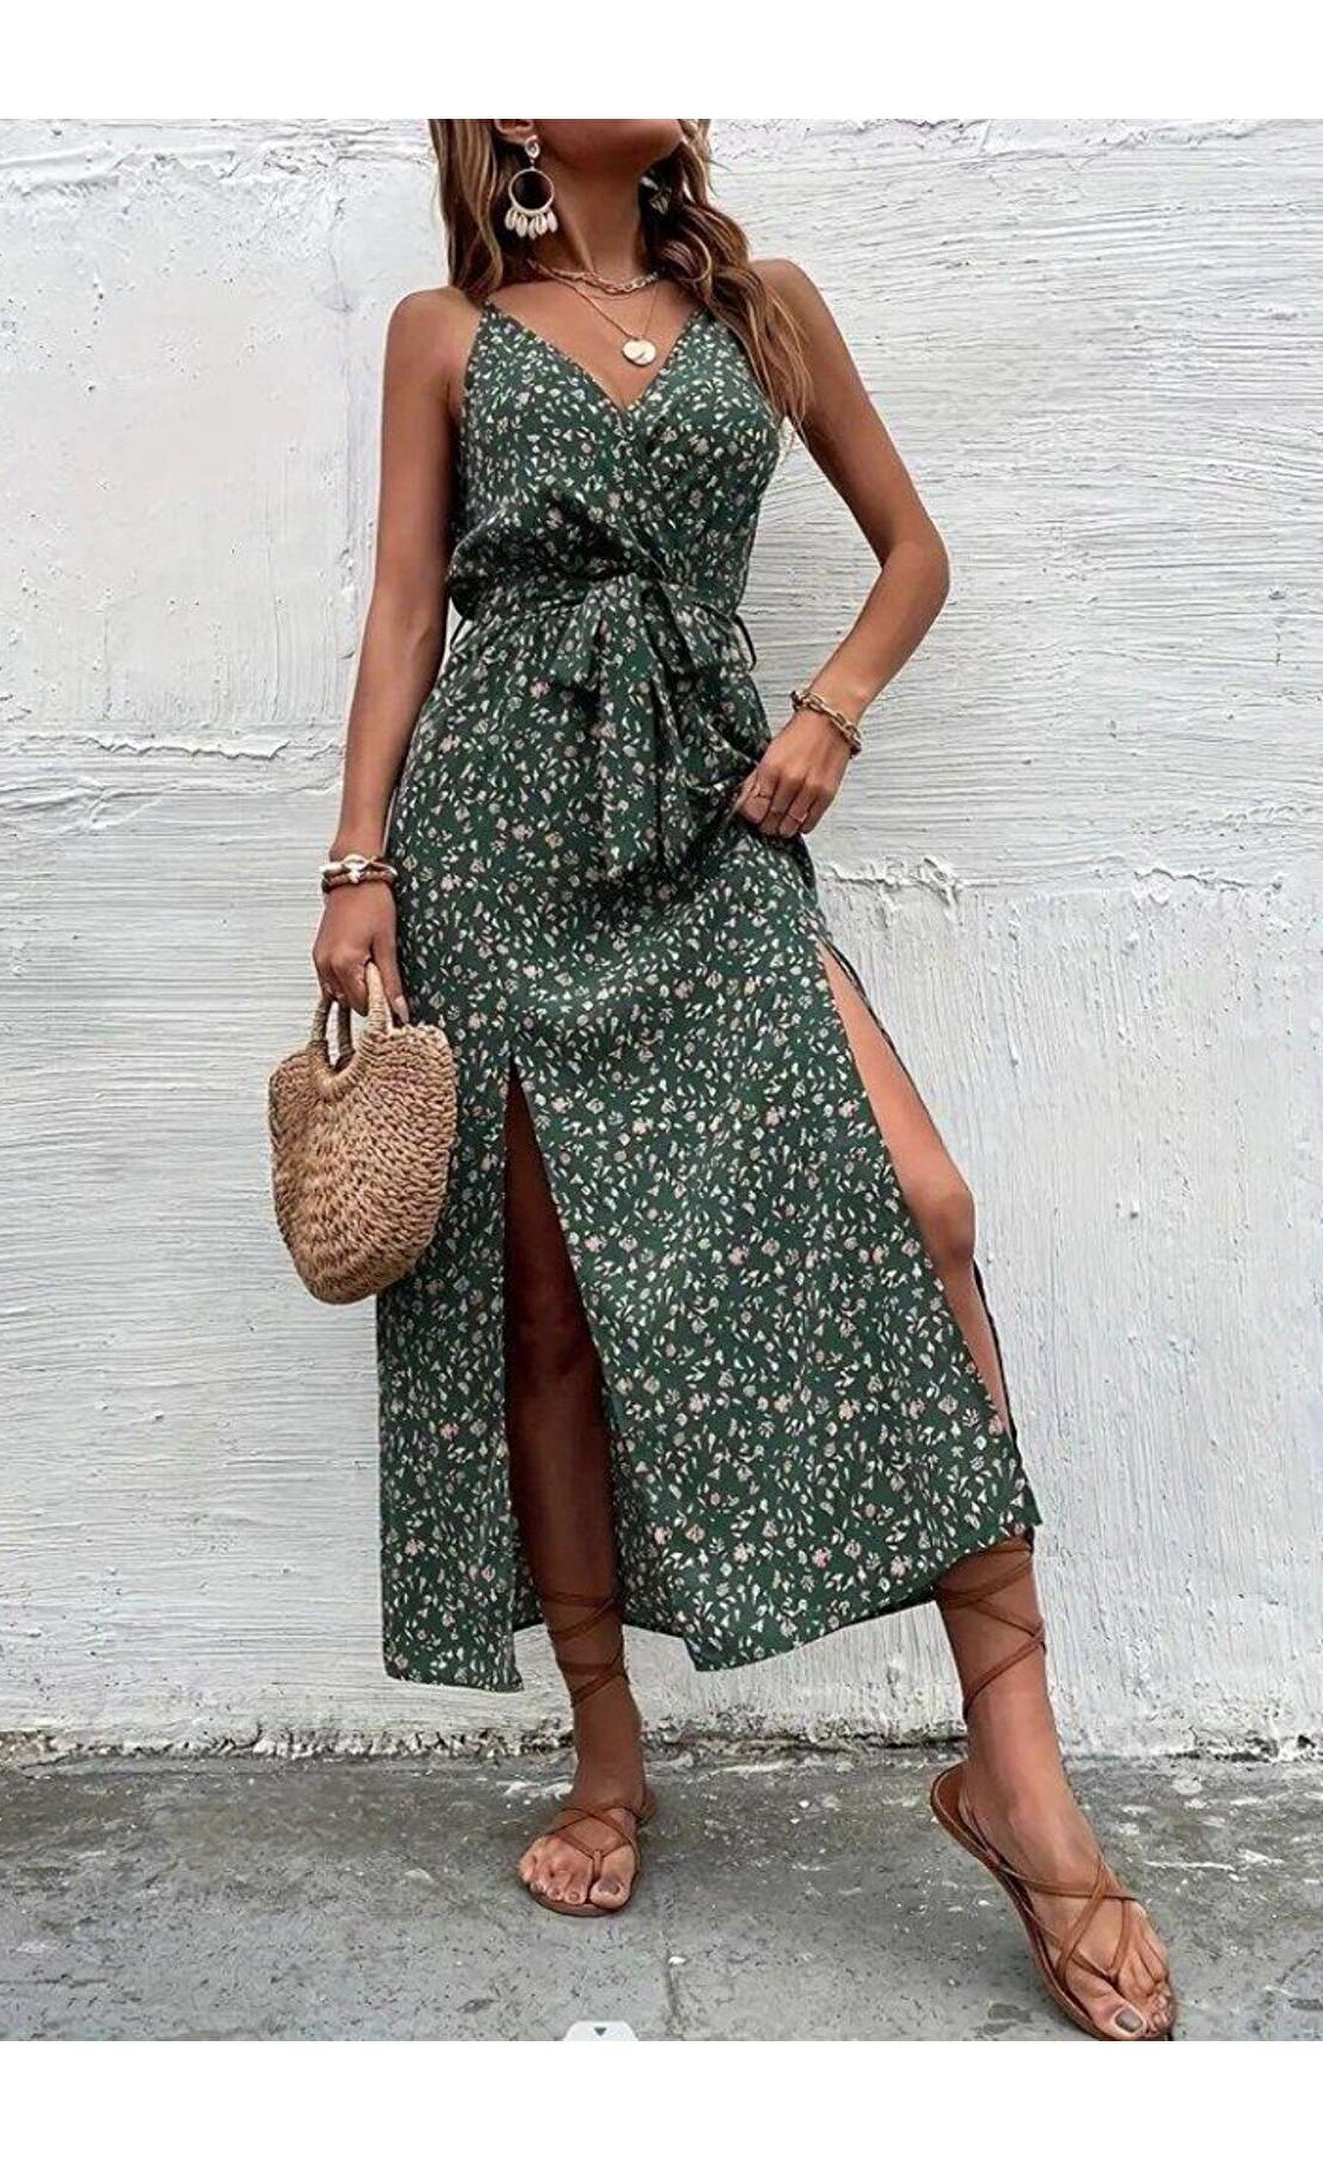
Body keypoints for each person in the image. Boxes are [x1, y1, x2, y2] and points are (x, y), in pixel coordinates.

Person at [312, 118, 1175, 2041]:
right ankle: (607, 1761)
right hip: (498, 843)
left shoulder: (765, 312)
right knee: (550, 1321)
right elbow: (402, 605)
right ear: (512, 117)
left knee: (924, 1205)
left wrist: (833, 710)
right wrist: (358, 862)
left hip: (710, 828)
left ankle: (1015, 1771)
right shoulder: (444, 332)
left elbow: (914, 552)